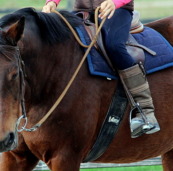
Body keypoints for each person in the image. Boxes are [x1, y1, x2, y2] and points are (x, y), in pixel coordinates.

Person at [42, 0, 160, 138]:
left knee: (114, 46)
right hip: (81, 11)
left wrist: (115, 2)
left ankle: (145, 111)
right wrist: (52, 2)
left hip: (115, 10)